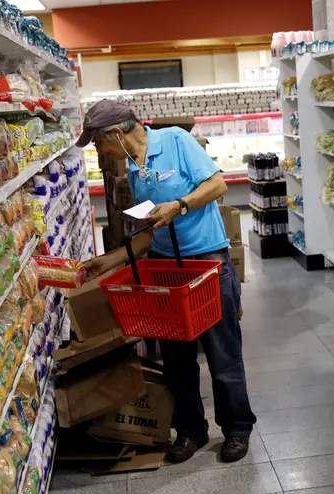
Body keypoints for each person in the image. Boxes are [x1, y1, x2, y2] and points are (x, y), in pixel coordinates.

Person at [77, 100, 256, 463]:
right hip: (166, 267)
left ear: (116, 134)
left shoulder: (175, 141)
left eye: (99, 143)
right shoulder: (133, 170)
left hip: (207, 261)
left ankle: (237, 429)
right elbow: (148, 232)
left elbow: (218, 184)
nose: (100, 152)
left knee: (223, 354)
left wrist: (180, 205)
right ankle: (191, 430)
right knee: (176, 357)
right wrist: (108, 262)